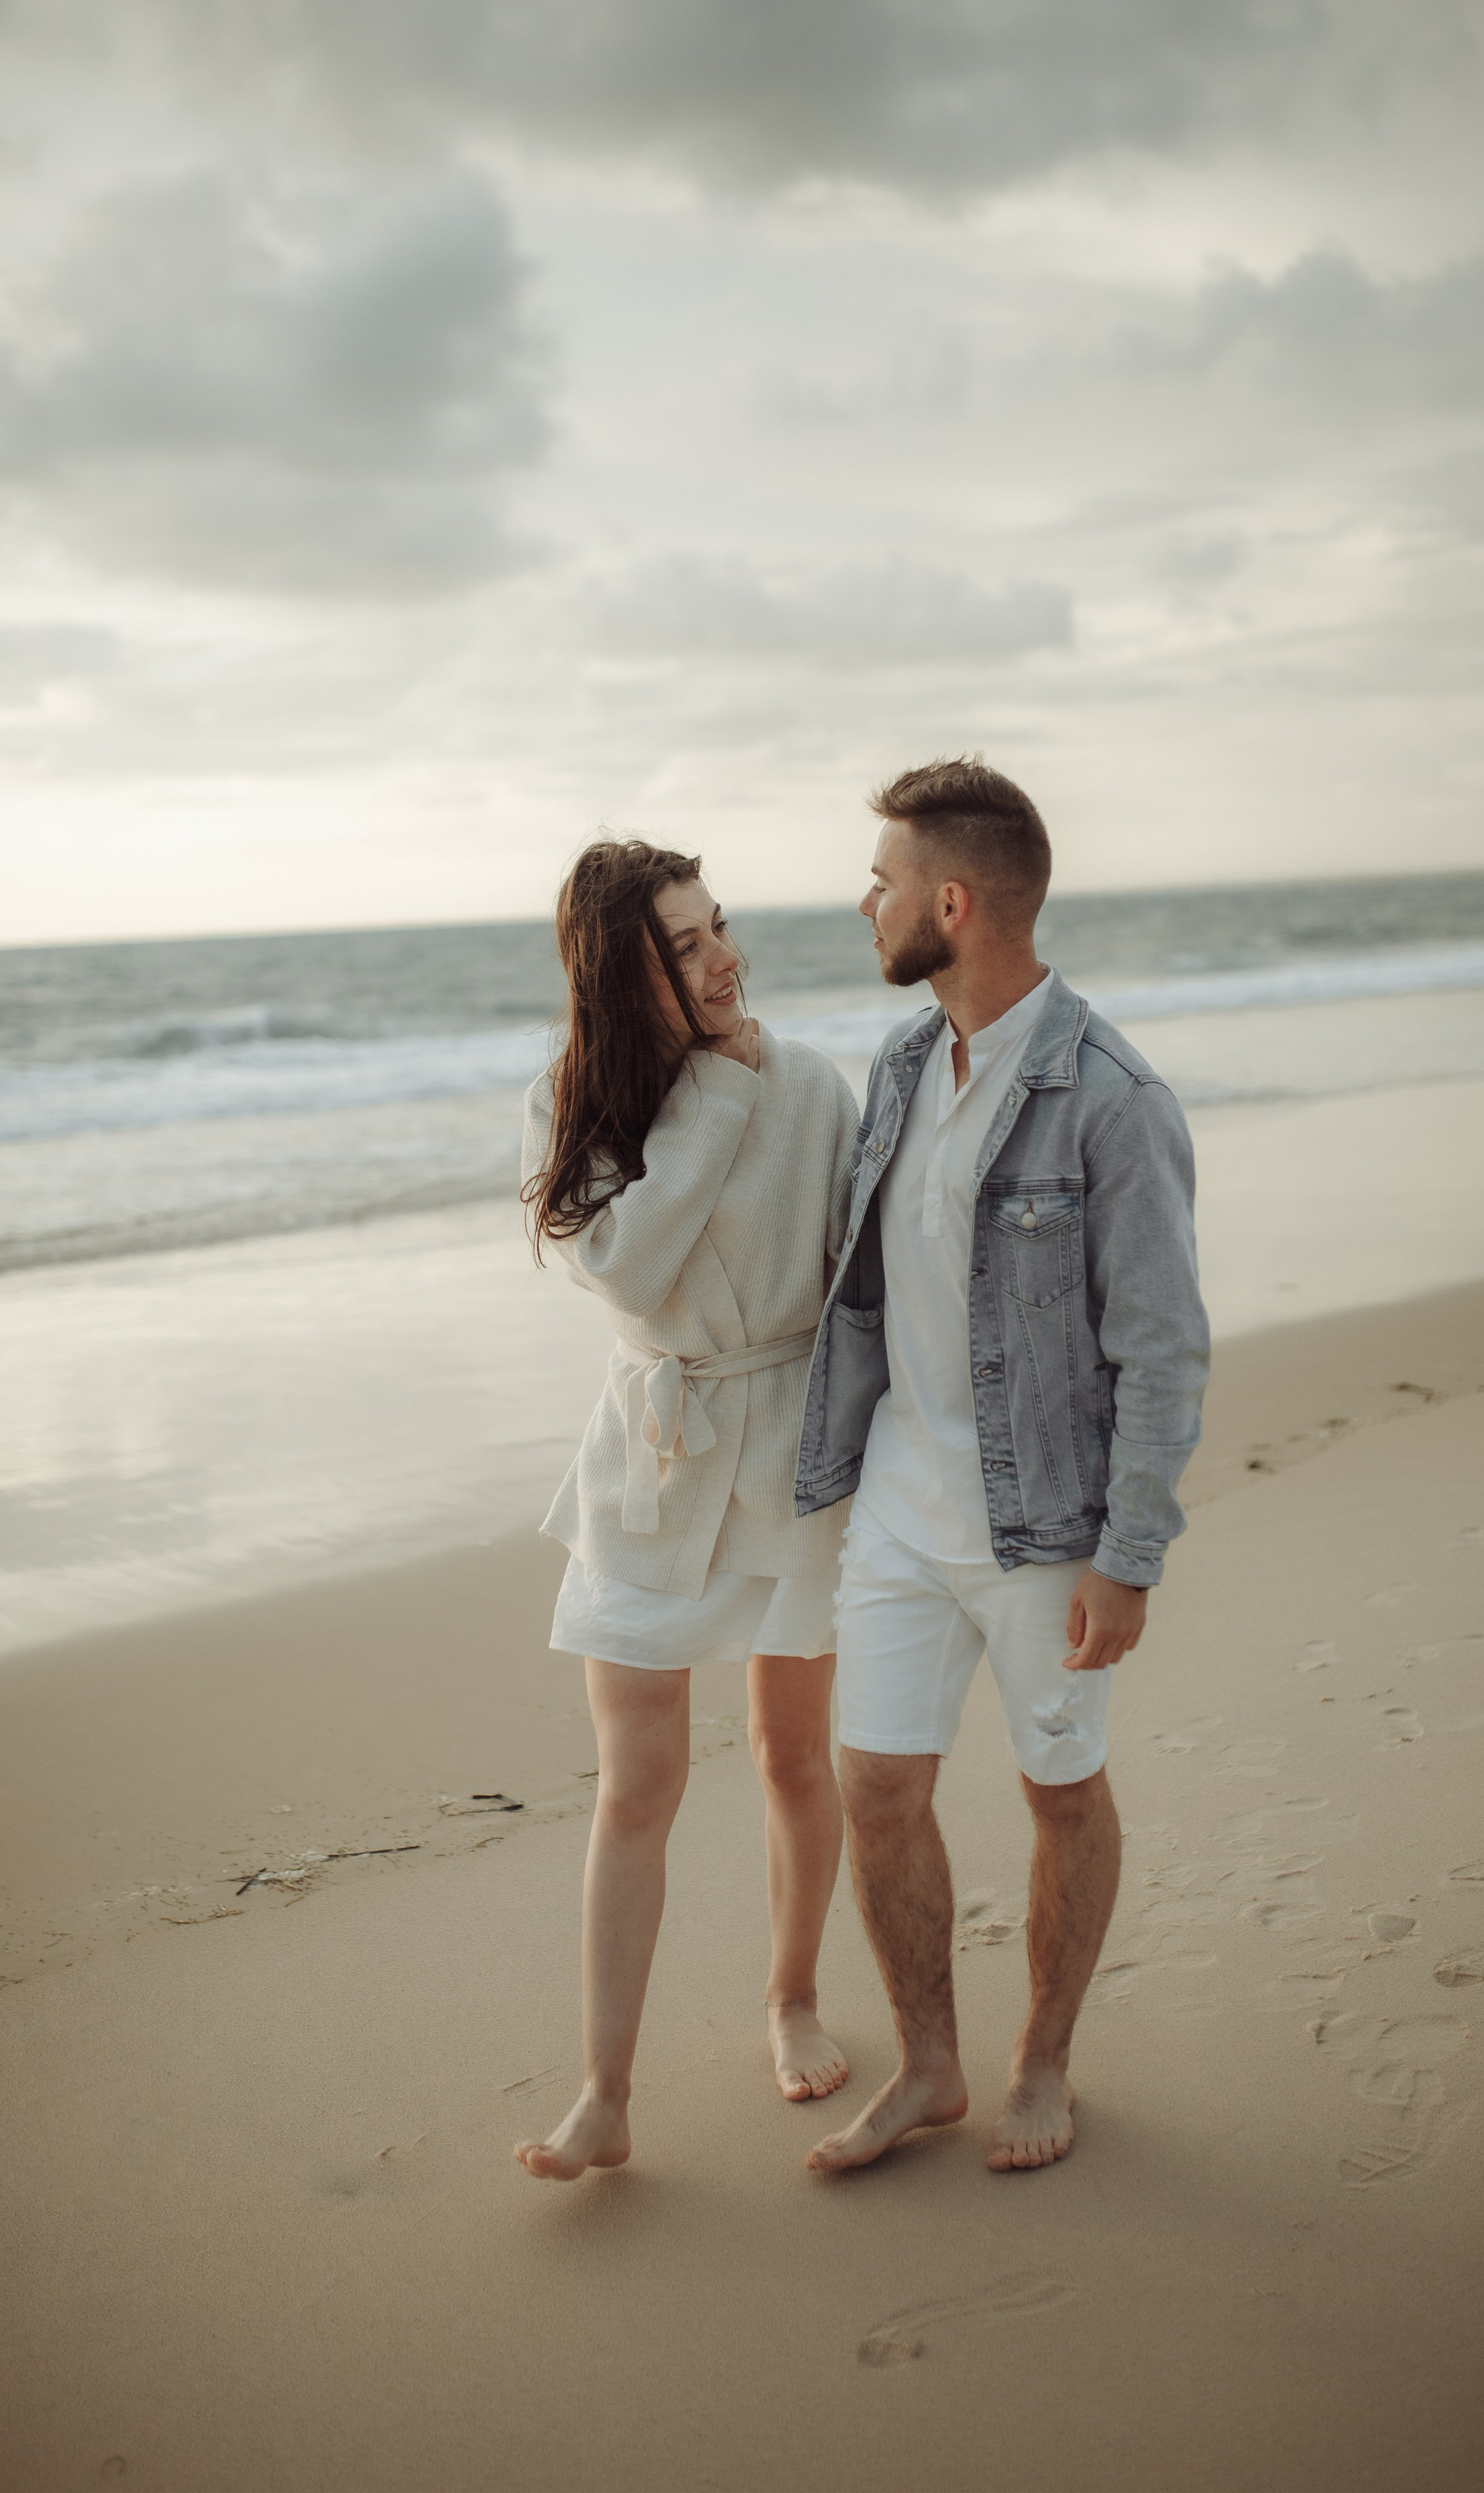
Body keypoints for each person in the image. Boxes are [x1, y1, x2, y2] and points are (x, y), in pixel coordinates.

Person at [793, 758, 1209, 2176]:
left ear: (951, 903)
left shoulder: (1111, 1099)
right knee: (876, 1789)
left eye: (885, 884)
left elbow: (1160, 1348)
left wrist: (1128, 1553)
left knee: (1057, 1792)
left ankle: (1042, 2062)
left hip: (1047, 1527)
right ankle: (928, 2067)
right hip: (899, 1508)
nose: (866, 905)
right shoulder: (904, 1062)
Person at [515, 838, 861, 2181]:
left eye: (719, 929)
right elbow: (630, 1272)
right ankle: (603, 2093)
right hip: (652, 1458)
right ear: (621, 973)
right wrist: (711, 1098)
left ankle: (790, 1997)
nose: (722, 961)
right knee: (636, 1785)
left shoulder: (816, 1087)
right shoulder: (576, 1101)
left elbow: (859, 1280)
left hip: (787, 1448)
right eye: (684, 945)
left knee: (791, 1758)